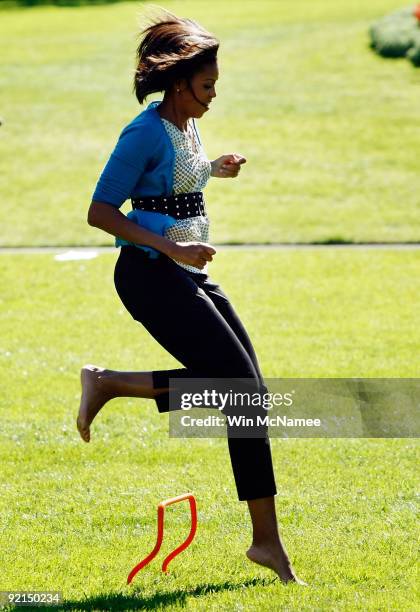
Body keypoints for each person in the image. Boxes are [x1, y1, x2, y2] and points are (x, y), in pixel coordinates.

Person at [77, 9, 305, 585]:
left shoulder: (186, 126)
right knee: (241, 390)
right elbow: (101, 211)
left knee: (248, 392)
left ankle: (266, 542)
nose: (212, 97)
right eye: (206, 87)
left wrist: (215, 169)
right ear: (179, 83)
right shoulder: (144, 131)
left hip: (185, 273)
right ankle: (110, 382)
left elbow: (180, 178)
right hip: (150, 275)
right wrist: (171, 250)